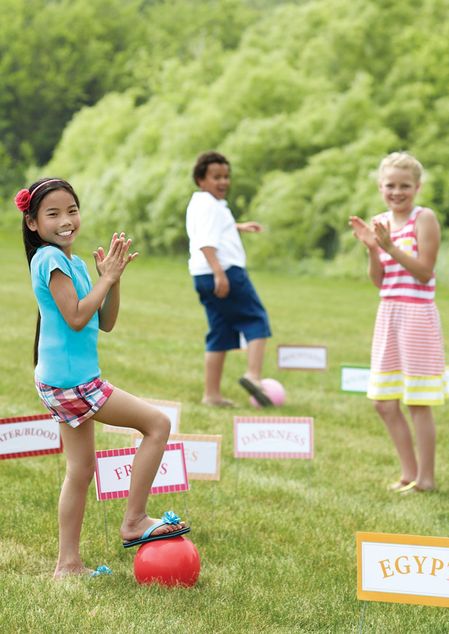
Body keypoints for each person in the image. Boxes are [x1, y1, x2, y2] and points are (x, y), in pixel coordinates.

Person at [15, 178, 189, 578]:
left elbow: (104, 321)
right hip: (74, 383)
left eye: (71, 211)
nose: (65, 220)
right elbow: (76, 317)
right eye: (53, 213)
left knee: (80, 471)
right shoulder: (49, 260)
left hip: (63, 380)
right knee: (158, 425)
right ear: (33, 223)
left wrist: (115, 278)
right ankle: (134, 521)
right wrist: (105, 278)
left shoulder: (72, 263)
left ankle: (68, 565)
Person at [349, 152, 444, 494]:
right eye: (391, 185)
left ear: (417, 187)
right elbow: (379, 280)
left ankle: (426, 480)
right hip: (388, 313)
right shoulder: (379, 221)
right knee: (383, 401)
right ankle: (408, 474)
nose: (397, 191)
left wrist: (389, 245)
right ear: (380, 186)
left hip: (417, 315)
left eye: (405, 185)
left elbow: (424, 271)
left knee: (417, 400)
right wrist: (374, 250)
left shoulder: (425, 218)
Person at [186, 151, 272, 407]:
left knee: (220, 331)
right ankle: (253, 376)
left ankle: (211, 395)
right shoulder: (211, 206)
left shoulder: (202, 203)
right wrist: (220, 274)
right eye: (216, 177)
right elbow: (205, 242)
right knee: (256, 319)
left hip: (201, 274)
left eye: (226, 176)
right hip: (224, 271)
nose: (223, 182)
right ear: (201, 179)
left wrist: (238, 226)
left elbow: (211, 230)